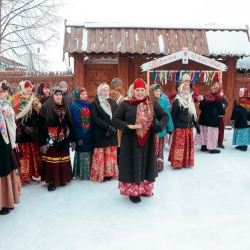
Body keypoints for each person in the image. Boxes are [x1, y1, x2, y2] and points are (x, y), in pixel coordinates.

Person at [112, 79, 169, 203]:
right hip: (130, 141)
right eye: (137, 90)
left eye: (142, 90)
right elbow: (115, 119)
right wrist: (126, 126)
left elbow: (165, 116)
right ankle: (133, 192)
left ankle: (145, 189)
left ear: (146, 90)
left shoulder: (152, 103)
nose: (140, 93)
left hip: (148, 141)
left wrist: (159, 126)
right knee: (133, 164)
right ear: (133, 91)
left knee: (147, 163)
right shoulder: (126, 104)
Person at [38, 87, 76, 191]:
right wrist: (42, 143)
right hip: (50, 137)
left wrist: (73, 139)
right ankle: (52, 181)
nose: (59, 97)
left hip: (64, 137)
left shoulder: (66, 106)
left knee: (63, 159)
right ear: (52, 95)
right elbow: (41, 126)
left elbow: (70, 123)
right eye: (56, 95)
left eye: (60, 95)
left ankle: (62, 179)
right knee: (53, 160)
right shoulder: (46, 107)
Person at [12, 80, 42, 184]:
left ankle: (30, 176)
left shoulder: (34, 99)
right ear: (22, 88)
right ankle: (24, 178)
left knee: (32, 155)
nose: (29, 89)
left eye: (30, 87)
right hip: (23, 134)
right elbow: (14, 118)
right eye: (27, 87)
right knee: (24, 157)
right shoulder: (17, 100)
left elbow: (39, 113)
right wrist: (23, 128)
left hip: (33, 133)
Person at [90, 83, 118, 182]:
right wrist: (107, 127)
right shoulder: (95, 103)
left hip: (112, 132)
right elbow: (95, 118)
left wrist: (113, 127)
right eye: (103, 90)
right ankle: (101, 174)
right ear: (100, 91)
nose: (106, 92)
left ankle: (110, 173)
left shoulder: (113, 102)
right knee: (102, 153)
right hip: (100, 132)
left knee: (110, 153)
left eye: (107, 90)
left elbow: (117, 116)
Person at [0, 82, 20, 215]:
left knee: (7, 167)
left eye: (6, 91)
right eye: (3, 91)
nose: (6, 93)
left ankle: (7, 201)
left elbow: (12, 121)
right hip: (1, 141)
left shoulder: (6, 105)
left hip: (7, 140)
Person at [168, 82, 200, 169]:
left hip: (188, 127)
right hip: (179, 127)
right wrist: (171, 127)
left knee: (187, 146)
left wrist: (197, 125)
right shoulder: (177, 100)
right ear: (180, 90)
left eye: (187, 90)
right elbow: (173, 115)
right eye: (184, 90)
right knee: (179, 146)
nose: (186, 91)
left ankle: (186, 162)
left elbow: (193, 114)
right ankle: (177, 163)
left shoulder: (190, 100)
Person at [194, 82, 225, 154]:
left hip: (203, 119)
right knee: (211, 134)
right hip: (212, 120)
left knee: (204, 132)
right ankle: (211, 148)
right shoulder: (218, 99)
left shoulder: (205, 97)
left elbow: (201, 107)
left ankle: (204, 146)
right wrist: (222, 107)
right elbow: (221, 112)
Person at [149, 83, 174, 172]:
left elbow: (167, 115)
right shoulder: (148, 102)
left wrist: (170, 128)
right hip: (151, 130)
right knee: (152, 148)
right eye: (156, 91)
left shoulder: (163, 101)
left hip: (161, 129)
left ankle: (159, 166)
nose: (158, 93)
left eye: (160, 91)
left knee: (160, 148)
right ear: (152, 91)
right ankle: (151, 166)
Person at [71, 87, 93, 179]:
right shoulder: (74, 106)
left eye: (85, 93)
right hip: (80, 133)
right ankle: (81, 173)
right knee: (82, 152)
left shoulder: (89, 104)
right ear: (78, 95)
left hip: (90, 132)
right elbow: (74, 122)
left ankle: (89, 173)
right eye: (82, 94)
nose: (85, 95)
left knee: (89, 151)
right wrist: (78, 136)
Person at [109, 78, 125, 166]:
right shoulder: (114, 96)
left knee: (118, 145)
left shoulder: (121, 99)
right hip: (115, 125)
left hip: (118, 126)